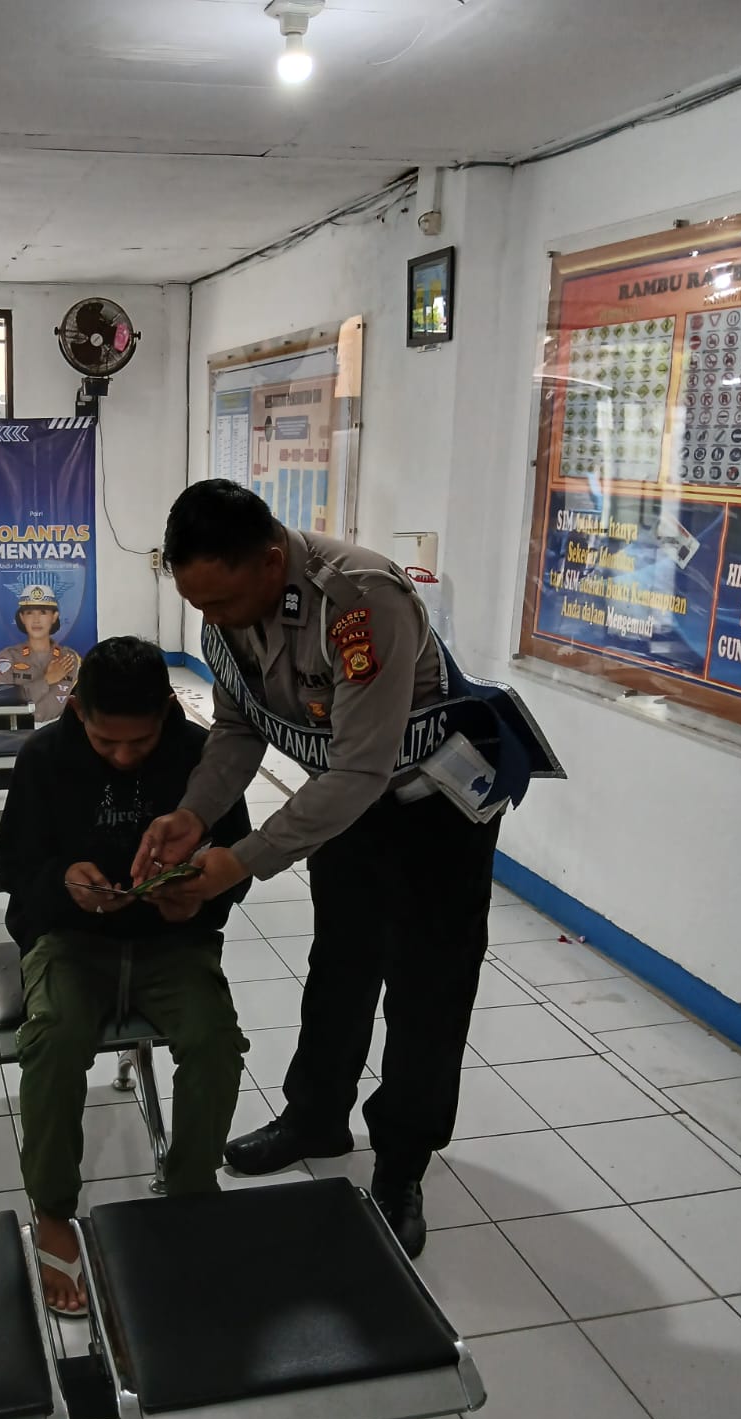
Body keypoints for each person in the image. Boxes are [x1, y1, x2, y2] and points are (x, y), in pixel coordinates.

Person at [132, 480, 561, 1258]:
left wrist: (239, 862)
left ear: (271, 561)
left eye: (223, 601)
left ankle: (401, 1164)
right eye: (198, 604)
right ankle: (316, 1117)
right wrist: (194, 814)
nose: (212, 619)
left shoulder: (362, 602)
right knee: (340, 967)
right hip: (345, 806)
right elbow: (237, 729)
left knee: (427, 992)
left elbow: (362, 768)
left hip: (435, 811)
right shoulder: (224, 608)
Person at [0, 635, 252, 1314]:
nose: (125, 756)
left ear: (167, 709)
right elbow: (14, 866)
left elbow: (235, 861)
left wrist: (198, 895)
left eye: (141, 741)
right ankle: (53, 1207)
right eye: (107, 742)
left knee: (214, 1043)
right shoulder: (45, 756)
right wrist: (64, 882)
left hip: (173, 943)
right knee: (52, 1040)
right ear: (78, 709)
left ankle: (192, 1190)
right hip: (73, 941)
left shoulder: (201, 758)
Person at [0, 582, 81, 722]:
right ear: (22, 617)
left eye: (43, 612)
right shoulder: (8, 657)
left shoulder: (70, 658)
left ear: (54, 616)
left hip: (60, 730)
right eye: (29, 613)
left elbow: (81, 702)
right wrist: (47, 680)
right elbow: (4, 702)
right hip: (20, 728)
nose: (36, 620)